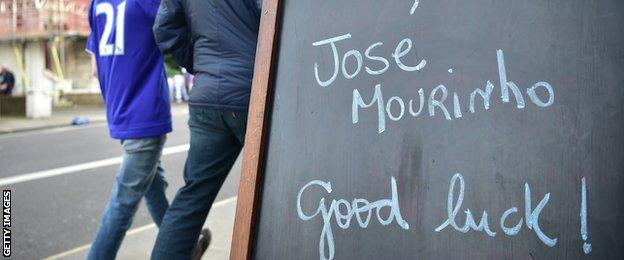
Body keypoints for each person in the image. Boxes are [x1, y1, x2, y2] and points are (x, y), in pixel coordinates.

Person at [151, 0, 262, 258]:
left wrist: (203, 65)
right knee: (281, 188)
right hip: (257, 92)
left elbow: (164, 29)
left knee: (192, 198)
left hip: (207, 97)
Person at [85, 0, 173, 258]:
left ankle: (185, 248)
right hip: (145, 109)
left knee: (154, 186)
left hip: (119, 110)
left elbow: (94, 68)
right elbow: (176, 31)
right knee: (122, 205)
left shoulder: (96, 3)